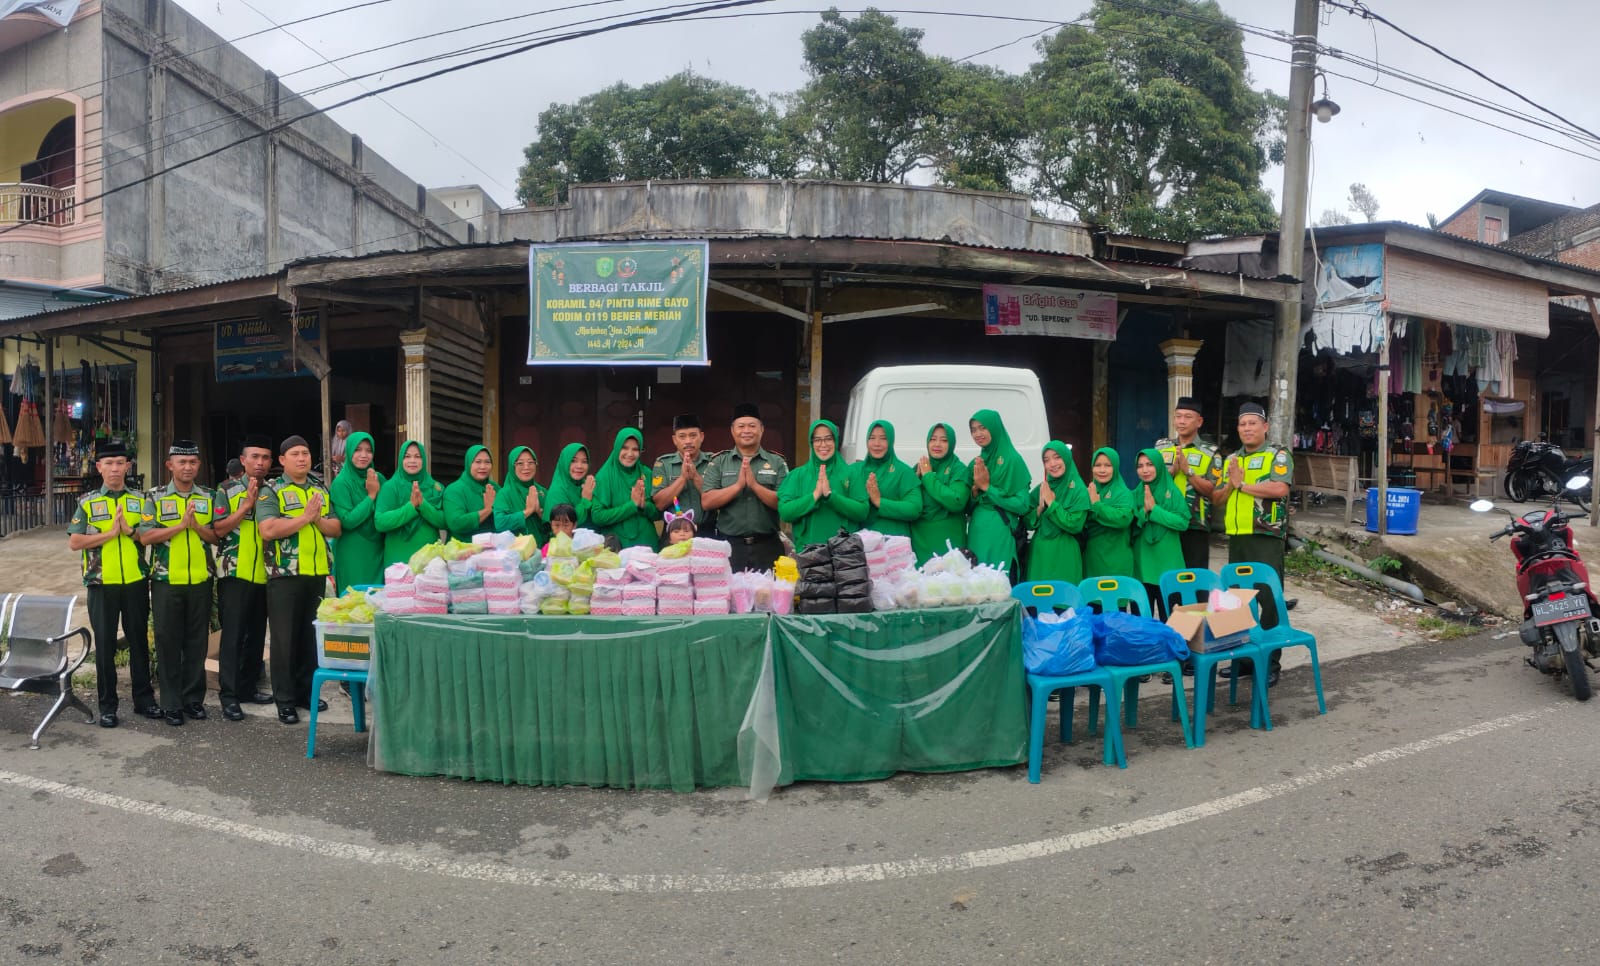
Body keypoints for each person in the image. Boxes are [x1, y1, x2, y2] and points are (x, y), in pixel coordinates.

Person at [66, 441, 158, 728]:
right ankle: (108, 706)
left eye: (121, 463)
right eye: (110, 463)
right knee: (105, 645)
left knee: (139, 641)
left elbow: (147, 536)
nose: (115, 469)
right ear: (100, 468)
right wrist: (109, 534)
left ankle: (144, 700)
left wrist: (128, 531)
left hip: (135, 582)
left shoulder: (141, 500)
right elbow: (75, 541)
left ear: (128, 466)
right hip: (101, 584)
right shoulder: (87, 501)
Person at [257, 435, 342, 725]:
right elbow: (267, 529)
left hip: (316, 573)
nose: (302, 458)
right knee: (284, 640)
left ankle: (306, 693)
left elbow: (335, 527)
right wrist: (305, 518)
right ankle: (285, 700)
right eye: (295, 453)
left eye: (305, 453)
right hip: (285, 575)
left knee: (309, 638)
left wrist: (317, 519)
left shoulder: (319, 488)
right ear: (282, 460)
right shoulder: (272, 490)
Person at [138, 439, 219, 726]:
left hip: (200, 581)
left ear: (198, 464)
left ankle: (193, 700)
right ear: (169, 465)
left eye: (193, 462)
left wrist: (197, 527)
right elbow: (145, 536)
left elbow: (216, 536)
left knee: (197, 643)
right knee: (168, 642)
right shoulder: (155, 497)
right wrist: (180, 527)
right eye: (181, 462)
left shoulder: (210, 496)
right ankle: (171, 703)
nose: (187, 467)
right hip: (165, 581)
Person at [1213, 402, 1293, 686]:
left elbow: (1280, 489)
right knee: (1237, 602)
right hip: (1238, 537)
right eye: (1242, 424)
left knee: (1268, 600)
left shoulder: (1278, 455)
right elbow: (1219, 498)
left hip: (1265, 537)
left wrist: (1242, 484)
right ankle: (1243, 661)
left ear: (1265, 426)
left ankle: (1271, 662)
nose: (1247, 428)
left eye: (1252, 423)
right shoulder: (1232, 458)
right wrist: (1227, 485)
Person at [212, 434, 276, 719]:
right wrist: (245, 508)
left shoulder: (274, 491)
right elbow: (219, 529)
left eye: (265, 458)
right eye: (254, 457)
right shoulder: (225, 490)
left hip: (265, 573)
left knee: (256, 636)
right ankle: (229, 695)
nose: (260, 463)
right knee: (233, 636)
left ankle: (248, 688)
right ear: (243, 460)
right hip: (234, 571)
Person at [702, 402, 789, 572]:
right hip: (730, 546)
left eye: (752, 426)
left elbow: (784, 503)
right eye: (741, 426)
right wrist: (737, 486)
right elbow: (706, 501)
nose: (746, 431)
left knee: (768, 597)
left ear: (762, 429)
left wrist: (755, 486)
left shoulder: (777, 462)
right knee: (732, 597)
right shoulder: (719, 462)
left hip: (767, 545)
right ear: (733, 430)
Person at [778, 418, 866, 550]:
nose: (823, 444)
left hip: (845, 556)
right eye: (817, 440)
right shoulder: (798, 475)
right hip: (810, 555)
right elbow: (785, 513)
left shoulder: (851, 474)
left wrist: (831, 497)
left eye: (828, 439)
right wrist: (815, 496)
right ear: (811, 442)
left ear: (835, 441)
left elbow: (862, 511)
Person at [1157, 396, 1222, 570]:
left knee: (1194, 579)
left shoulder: (1210, 452)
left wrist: (1188, 472)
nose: (1182, 421)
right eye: (1178, 416)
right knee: (1166, 578)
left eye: (1187, 417)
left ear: (1199, 421)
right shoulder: (1161, 447)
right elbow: (1151, 482)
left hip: (1195, 525)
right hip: (1165, 520)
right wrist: (1171, 472)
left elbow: (1213, 491)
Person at [966, 409, 1031, 573]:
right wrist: (974, 492)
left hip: (1000, 532)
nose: (978, 433)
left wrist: (987, 488)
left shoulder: (1012, 460)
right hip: (977, 532)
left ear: (995, 428)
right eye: (973, 430)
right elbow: (966, 506)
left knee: (999, 582)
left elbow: (1023, 505)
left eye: (983, 428)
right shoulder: (977, 462)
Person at [330, 431, 386, 594]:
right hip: (352, 550)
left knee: (376, 601)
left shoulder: (379, 478)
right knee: (353, 602)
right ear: (348, 452)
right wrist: (371, 496)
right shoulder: (341, 483)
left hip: (377, 548)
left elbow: (386, 509)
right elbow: (348, 520)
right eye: (357, 450)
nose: (363, 455)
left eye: (368, 450)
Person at [1025, 441, 1089, 584]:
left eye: (1057, 457)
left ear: (1066, 458)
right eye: (1046, 460)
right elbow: (1026, 521)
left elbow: (1075, 524)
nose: (1052, 464)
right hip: (1040, 555)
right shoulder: (1043, 488)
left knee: (1064, 601)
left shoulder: (1078, 489)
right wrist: (1039, 509)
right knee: (1039, 600)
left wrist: (1052, 504)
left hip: (1065, 554)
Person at [375, 439, 446, 568]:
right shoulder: (390, 487)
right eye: (407, 456)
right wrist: (411, 507)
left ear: (424, 460)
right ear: (401, 460)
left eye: (417, 456)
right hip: (398, 560)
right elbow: (380, 522)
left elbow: (444, 521)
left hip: (429, 560)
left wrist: (423, 505)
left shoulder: (435, 488)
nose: (412, 461)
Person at [1132, 447, 1191, 599]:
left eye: (1150, 464)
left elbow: (1183, 522)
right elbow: (1130, 524)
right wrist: (1144, 511)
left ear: (1159, 465)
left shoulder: (1172, 492)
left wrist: (1155, 510)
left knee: (1169, 617)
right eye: (1140, 466)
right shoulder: (1135, 494)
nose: (1145, 470)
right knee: (1143, 618)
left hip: (1167, 562)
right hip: (1143, 562)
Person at [849, 420, 922, 537]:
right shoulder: (854, 470)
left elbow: (914, 509)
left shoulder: (903, 471)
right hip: (860, 546)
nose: (877, 443)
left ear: (891, 441)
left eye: (883, 438)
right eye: (872, 438)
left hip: (894, 545)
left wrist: (879, 501)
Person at [589, 428, 658, 549]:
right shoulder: (604, 476)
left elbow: (658, 513)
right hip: (616, 546)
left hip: (647, 545)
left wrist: (644, 506)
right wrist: (632, 506)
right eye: (624, 447)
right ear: (616, 448)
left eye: (635, 449)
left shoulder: (646, 473)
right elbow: (598, 516)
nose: (630, 454)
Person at [650, 414, 716, 541]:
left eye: (693, 435)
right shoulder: (663, 463)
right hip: (674, 533)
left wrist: (696, 477)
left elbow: (718, 500)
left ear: (701, 437)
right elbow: (659, 503)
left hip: (707, 531)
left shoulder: (713, 461)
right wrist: (682, 479)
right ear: (674, 440)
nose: (688, 441)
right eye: (682, 436)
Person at [912, 423, 970, 566]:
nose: (937, 444)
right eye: (933, 439)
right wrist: (915, 479)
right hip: (920, 540)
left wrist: (928, 477)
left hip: (949, 540)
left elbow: (956, 501)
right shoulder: (920, 467)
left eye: (944, 440)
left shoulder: (959, 469)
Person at [1083, 447, 1136, 579]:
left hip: (1116, 560)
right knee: (1092, 597)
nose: (1102, 470)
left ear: (1116, 467)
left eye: (1108, 465)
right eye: (1097, 465)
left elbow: (1123, 519)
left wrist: (1097, 505)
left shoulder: (1123, 493)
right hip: (1092, 560)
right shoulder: (1089, 491)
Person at [493, 446, 549, 543]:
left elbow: (554, 524)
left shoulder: (542, 491)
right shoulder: (504, 493)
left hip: (542, 551)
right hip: (515, 552)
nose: (526, 467)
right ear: (512, 466)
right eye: (520, 463)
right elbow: (500, 523)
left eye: (530, 462)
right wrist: (527, 511)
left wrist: (539, 512)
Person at [442, 446, 497, 542]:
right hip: (463, 552)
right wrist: (487, 510)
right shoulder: (454, 490)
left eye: (487, 462)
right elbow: (456, 523)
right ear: (468, 464)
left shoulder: (494, 488)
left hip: (492, 551)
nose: (483, 467)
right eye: (478, 462)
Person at [544, 443, 596, 528]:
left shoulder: (584, 485)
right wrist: (585, 500)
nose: (579, 466)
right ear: (564, 462)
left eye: (584, 461)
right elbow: (565, 526)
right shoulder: (557, 491)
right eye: (573, 461)